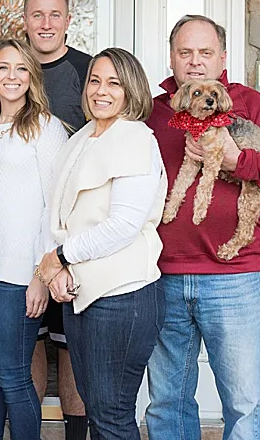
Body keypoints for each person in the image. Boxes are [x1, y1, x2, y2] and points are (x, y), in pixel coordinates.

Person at [144, 15, 260, 440]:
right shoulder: (152, 112)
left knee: (242, 404)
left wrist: (238, 162)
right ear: (171, 58)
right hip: (161, 274)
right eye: (185, 53)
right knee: (168, 403)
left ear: (222, 58)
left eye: (205, 53)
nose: (195, 62)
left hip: (233, 278)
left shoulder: (247, 104)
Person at [36, 47, 167, 440]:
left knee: (112, 416)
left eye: (114, 83)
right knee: (96, 409)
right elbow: (57, 211)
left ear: (131, 90)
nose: (101, 91)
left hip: (123, 297)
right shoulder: (81, 139)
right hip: (82, 294)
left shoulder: (136, 139)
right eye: (95, 80)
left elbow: (123, 224)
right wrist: (57, 268)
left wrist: (60, 258)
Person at [0, 39, 67, 440]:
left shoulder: (45, 127)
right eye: (3, 68)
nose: (11, 76)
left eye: (21, 69)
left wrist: (43, 273)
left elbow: (54, 206)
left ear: (32, 77)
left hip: (19, 273)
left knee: (13, 375)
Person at [22, 0, 89, 439]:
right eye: (37, 14)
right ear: (24, 21)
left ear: (68, 20)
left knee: (71, 347)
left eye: (54, 14)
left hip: (74, 231)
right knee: (31, 341)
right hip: (21, 230)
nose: (46, 24)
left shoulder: (89, 72)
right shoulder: (12, 69)